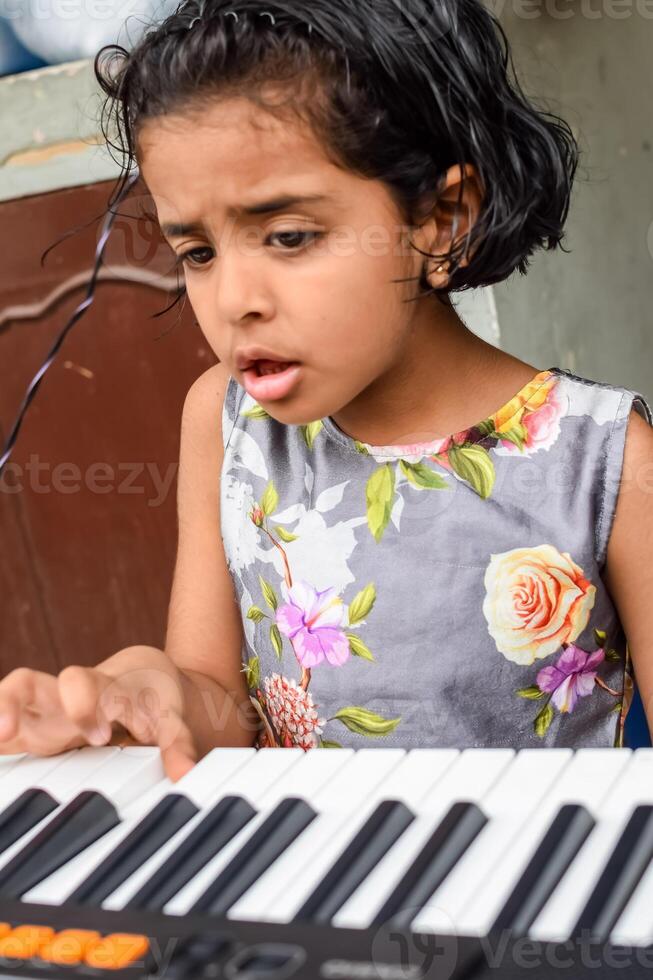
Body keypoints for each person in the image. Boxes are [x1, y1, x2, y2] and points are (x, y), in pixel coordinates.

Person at [1, 0, 652, 781]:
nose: (234, 298)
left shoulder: (603, 459)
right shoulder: (225, 421)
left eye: (287, 237)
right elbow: (217, 701)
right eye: (198, 251)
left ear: (442, 220)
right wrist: (149, 694)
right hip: (304, 887)